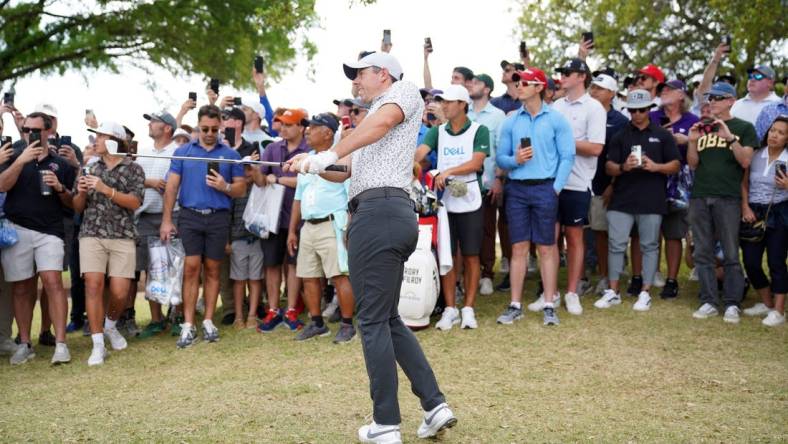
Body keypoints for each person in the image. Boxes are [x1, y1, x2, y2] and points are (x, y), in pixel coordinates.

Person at [286, 51, 456, 443]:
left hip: (380, 215)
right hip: (383, 214)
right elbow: (345, 171)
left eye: (360, 74)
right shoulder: (368, 124)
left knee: (372, 322)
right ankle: (434, 405)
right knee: (387, 319)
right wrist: (310, 164)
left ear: (383, 74)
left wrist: (330, 151)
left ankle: (385, 424)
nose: (355, 83)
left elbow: (381, 124)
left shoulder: (402, 94)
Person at [159, 104, 246, 348]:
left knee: (213, 269)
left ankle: (208, 320)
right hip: (190, 215)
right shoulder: (184, 151)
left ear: (220, 126)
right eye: (205, 128)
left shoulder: (230, 155)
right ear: (198, 125)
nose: (209, 133)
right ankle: (188, 323)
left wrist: (225, 187)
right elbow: (171, 187)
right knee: (191, 267)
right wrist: (166, 220)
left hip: (218, 217)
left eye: (214, 129)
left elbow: (241, 188)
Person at [495, 67, 575, 326]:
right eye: (517, 82)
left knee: (547, 247)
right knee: (518, 247)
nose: (519, 86)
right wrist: (515, 160)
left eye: (525, 82)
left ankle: (549, 304)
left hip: (545, 188)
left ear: (540, 87)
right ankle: (515, 304)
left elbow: (568, 156)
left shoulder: (556, 119)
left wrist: (556, 187)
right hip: (517, 188)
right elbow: (501, 159)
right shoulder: (510, 121)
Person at [595, 89, 680, 311]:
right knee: (616, 245)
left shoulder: (662, 135)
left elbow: (675, 165)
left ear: (650, 109)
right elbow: (608, 166)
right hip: (622, 199)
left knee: (650, 245)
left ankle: (645, 292)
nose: (637, 114)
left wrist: (656, 167)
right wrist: (624, 167)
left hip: (652, 199)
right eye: (633, 110)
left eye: (642, 110)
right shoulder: (620, 135)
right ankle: (613, 291)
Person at [0, 112, 75, 365]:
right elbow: (2, 186)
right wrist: (20, 161)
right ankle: (24, 342)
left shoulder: (61, 164)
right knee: (21, 287)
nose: (28, 133)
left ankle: (61, 344)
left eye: (34, 129)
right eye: (25, 129)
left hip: (50, 231)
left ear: (47, 131)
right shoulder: (12, 156)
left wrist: (60, 187)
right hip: (17, 229)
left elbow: (72, 203)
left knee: (53, 281)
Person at [415, 85, 489, 330]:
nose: (444, 105)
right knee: (447, 256)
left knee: (470, 255)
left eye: (449, 101)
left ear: (462, 104)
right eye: (442, 101)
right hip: (445, 202)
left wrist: (448, 171)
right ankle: (450, 309)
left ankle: (468, 308)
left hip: (470, 199)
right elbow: (420, 155)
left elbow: (477, 163)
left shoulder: (480, 130)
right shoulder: (437, 132)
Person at [72, 121, 144, 365]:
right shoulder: (89, 167)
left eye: (102, 136)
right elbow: (77, 207)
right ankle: (98, 343)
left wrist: (105, 189)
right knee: (92, 284)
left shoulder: (134, 169)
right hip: (91, 232)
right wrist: (81, 192)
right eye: (96, 136)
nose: (97, 140)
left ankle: (111, 325)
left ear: (115, 141)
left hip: (123, 234)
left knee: (120, 291)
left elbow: (135, 202)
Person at [687, 82, 758, 323]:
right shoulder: (704, 127)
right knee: (703, 252)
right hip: (700, 195)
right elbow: (693, 164)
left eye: (718, 98)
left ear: (731, 101)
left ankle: (732, 303)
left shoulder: (744, 127)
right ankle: (708, 300)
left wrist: (729, 138)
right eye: (710, 98)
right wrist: (692, 141)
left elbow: (746, 161)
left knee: (730, 252)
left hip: (728, 197)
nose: (712, 101)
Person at [287, 113, 356, 343]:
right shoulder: (306, 160)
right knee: (308, 276)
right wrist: (292, 230)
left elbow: (350, 196)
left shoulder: (340, 158)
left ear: (327, 133)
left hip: (332, 223)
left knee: (339, 276)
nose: (308, 131)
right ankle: (317, 322)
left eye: (313, 128)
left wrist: (349, 227)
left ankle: (347, 325)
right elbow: (299, 198)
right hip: (309, 226)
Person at [547, 58, 606, 315]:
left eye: (568, 72)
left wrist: (564, 141)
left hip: (578, 182)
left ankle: (572, 291)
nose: (563, 76)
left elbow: (595, 147)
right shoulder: (556, 106)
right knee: (549, 238)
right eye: (562, 72)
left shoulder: (594, 108)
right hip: (551, 182)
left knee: (574, 237)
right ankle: (551, 293)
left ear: (582, 76)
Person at [253, 109, 309, 333]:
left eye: (289, 124)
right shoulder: (272, 148)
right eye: (281, 124)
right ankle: (274, 309)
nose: (283, 128)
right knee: (272, 264)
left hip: (299, 217)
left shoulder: (309, 151)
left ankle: (292, 309)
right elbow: (259, 181)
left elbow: (305, 182)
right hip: (272, 218)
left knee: (294, 264)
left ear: (301, 127)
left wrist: (277, 178)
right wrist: (254, 170)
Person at [649, 80, 700, 298]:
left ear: (681, 95)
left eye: (669, 89)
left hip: (679, 184)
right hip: (651, 178)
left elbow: (700, 152)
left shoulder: (693, 121)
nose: (664, 93)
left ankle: (671, 280)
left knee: (673, 233)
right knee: (651, 232)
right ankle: (651, 274)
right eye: (662, 90)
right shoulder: (651, 116)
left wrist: (687, 140)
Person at [136, 111, 180, 339]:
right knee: (151, 269)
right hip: (145, 216)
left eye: (154, 122)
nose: (150, 125)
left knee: (174, 267)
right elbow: (133, 179)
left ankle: (177, 316)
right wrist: (149, 182)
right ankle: (156, 319)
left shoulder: (177, 153)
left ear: (167, 129)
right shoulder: (141, 153)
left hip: (172, 215)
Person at [740, 116, 787, 327]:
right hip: (753, 212)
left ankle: (778, 310)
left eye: (781, 133)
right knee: (750, 261)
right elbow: (743, 183)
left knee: (776, 261)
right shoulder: (756, 154)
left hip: (780, 212)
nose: (774, 135)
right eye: (773, 130)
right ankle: (767, 303)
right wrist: (745, 206)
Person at [588, 73, 629, 296]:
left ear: (612, 94)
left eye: (599, 88)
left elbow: (622, 157)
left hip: (606, 185)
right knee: (592, 233)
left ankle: (607, 277)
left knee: (606, 233)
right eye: (592, 87)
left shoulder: (621, 121)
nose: (594, 91)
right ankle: (596, 275)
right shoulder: (584, 113)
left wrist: (613, 183)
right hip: (582, 182)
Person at [468, 74, 506, 296]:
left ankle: (487, 274)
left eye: (477, 83)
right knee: (466, 233)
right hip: (463, 184)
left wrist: (499, 179)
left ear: (488, 89)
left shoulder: (498, 116)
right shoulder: (465, 113)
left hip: (487, 183)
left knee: (487, 231)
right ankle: (467, 276)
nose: (472, 85)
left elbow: (501, 151)